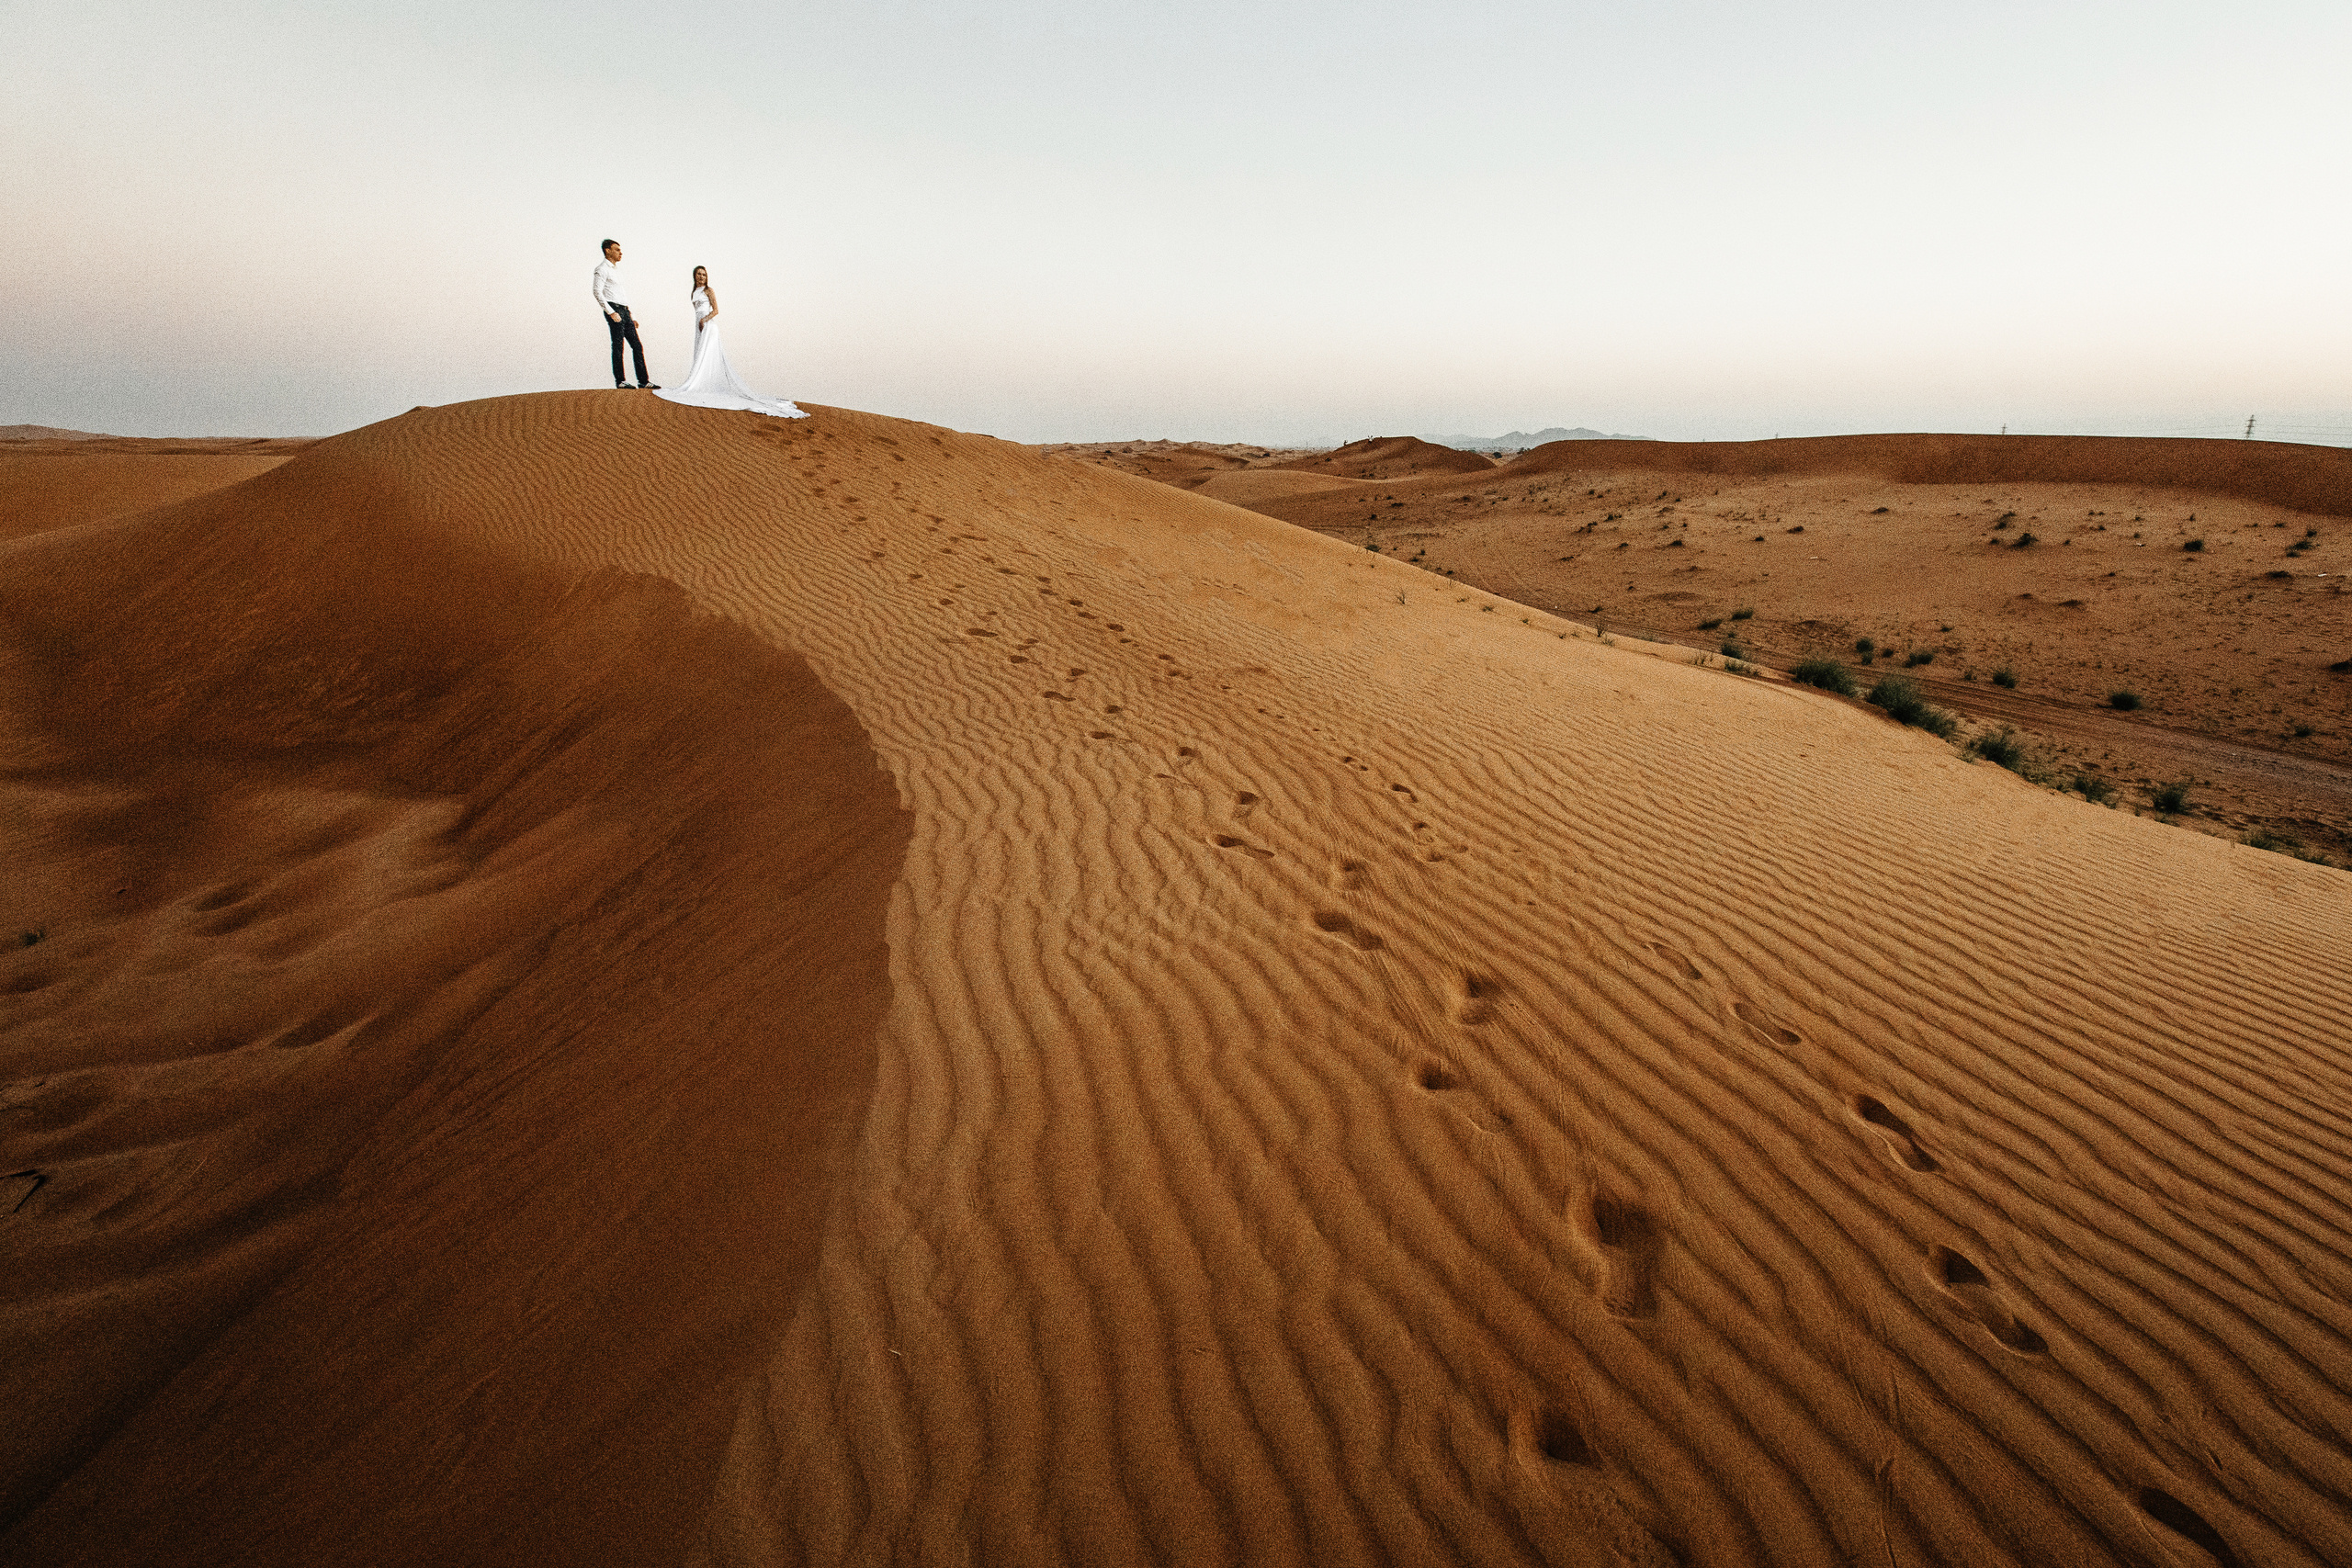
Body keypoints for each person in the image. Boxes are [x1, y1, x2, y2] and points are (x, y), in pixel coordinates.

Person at [654, 265, 805, 419]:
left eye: (704, 274)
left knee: (708, 356)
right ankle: (699, 383)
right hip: (698, 325)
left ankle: (704, 385)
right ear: (694, 276)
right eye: (699, 274)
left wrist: (704, 320)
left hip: (708, 326)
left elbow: (716, 310)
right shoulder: (694, 291)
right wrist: (699, 322)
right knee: (699, 354)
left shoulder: (708, 290)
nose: (701, 277)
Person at [591, 240, 658, 389]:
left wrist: (631, 316)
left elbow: (622, 295)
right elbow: (597, 292)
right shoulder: (601, 269)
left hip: (624, 310)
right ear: (607, 251)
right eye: (617, 249)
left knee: (637, 345)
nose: (620, 252)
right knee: (618, 345)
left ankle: (643, 381)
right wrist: (611, 312)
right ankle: (620, 381)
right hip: (613, 309)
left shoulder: (616, 271)